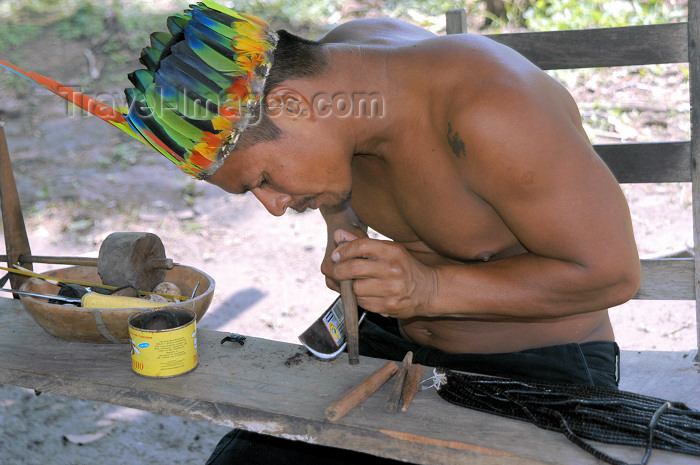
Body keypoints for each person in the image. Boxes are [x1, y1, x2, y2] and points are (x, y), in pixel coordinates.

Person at [0, 2, 641, 463]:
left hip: (540, 371)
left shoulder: (491, 112)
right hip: (394, 353)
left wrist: (430, 288)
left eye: (264, 179)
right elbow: (346, 184)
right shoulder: (347, 70)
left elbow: (612, 274)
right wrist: (343, 228)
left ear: (293, 107)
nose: (274, 207)